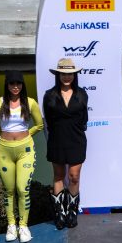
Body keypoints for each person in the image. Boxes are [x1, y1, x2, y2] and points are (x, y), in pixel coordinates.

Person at [0, 70, 43, 243]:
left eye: (18, 83)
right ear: (7, 85)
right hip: (4, 150)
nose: (15, 87)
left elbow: (39, 125)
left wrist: (26, 135)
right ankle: (11, 225)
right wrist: (3, 133)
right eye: (12, 83)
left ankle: (23, 225)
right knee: (9, 190)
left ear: (22, 85)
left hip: (25, 150)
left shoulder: (30, 102)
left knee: (22, 188)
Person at [42, 58, 88, 230]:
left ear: (74, 75)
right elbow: (49, 120)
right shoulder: (49, 95)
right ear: (58, 75)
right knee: (58, 176)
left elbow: (84, 119)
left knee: (74, 176)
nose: (66, 77)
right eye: (63, 74)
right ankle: (60, 214)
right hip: (57, 140)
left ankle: (72, 213)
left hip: (76, 140)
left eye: (70, 74)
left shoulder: (82, 94)